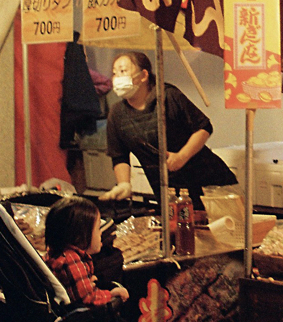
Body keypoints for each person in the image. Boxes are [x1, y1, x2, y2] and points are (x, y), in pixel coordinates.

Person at [100, 52, 237, 210]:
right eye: (114, 73)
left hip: (209, 182)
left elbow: (204, 127)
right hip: (169, 192)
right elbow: (119, 155)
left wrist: (181, 156)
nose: (117, 78)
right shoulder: (117, 114)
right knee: (181, 230)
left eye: (123, 71)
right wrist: (124, 184)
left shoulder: (168, 96)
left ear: (144, 75)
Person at [44, 195, 128, 307]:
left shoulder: (57, 253)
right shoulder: (71, 259)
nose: (101, 234)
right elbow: (87, 299)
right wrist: (110, 294)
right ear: (79, 236)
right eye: (98, 228)